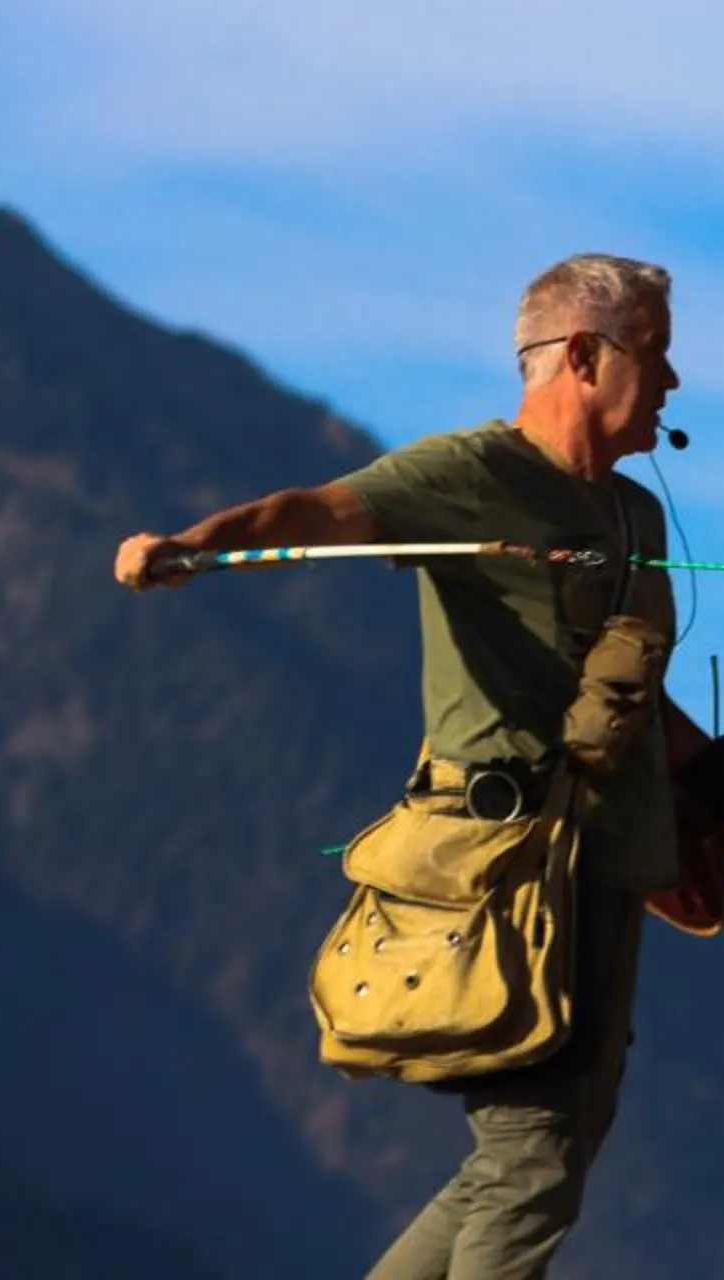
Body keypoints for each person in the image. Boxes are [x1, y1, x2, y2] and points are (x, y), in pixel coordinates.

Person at [116, 253, 687, 1280]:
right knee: (532, 1157)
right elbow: (316, 511)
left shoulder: (637, 519)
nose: (673, 382)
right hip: (501, 870)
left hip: (606, 868)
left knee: (536, 1154)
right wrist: (191, 543)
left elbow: (640, 692)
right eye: (657, 353)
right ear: (585, 355)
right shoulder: (466, 472)